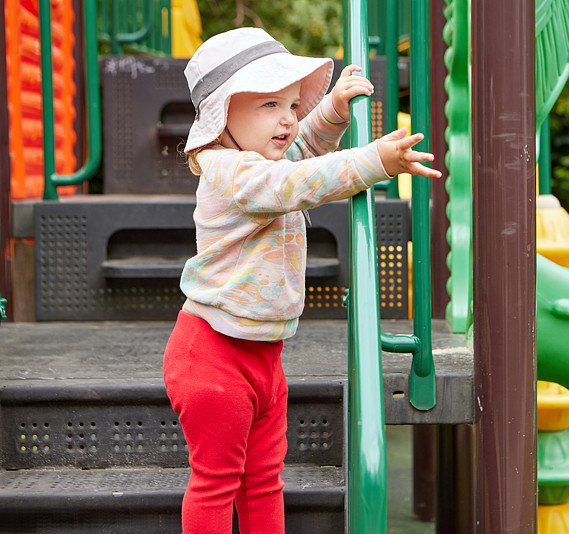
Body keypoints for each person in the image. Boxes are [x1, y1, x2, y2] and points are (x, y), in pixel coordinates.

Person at [162, 27, 440, 534]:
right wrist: (374, 162)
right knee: (218, 481)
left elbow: (304, 146)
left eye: (292, 104)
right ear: (223, 113)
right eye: (270, 104)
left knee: (264, 480)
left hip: (265, 356)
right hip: (212, 355)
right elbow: (295, 182)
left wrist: (330, 111)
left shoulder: (265, 153)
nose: (288, 118)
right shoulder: (229, 170)